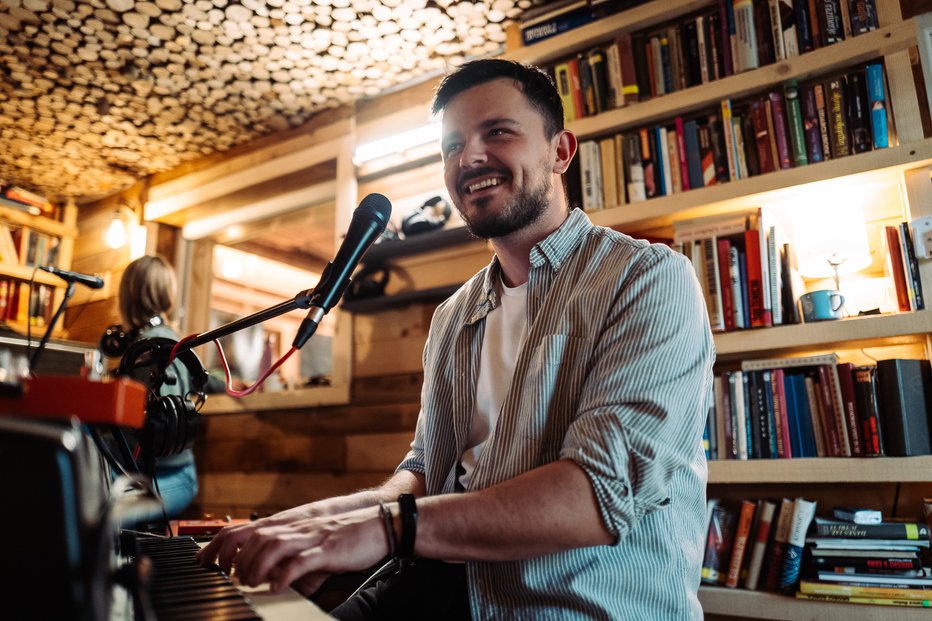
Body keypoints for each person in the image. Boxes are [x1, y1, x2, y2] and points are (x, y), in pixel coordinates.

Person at [198, 58, 715, 619]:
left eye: (497, 132)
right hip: (442, 582)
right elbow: (423, 474)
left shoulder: (647, 279)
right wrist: (316, 522)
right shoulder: (454, 315)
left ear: (560, 152)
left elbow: (594, 494)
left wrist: (387, 528)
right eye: (452, 144)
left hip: (567, 607)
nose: (469, 157)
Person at [117, 254, 199, 519]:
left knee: (91, 516)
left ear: (129, 296)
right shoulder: (171, 340)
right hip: (170, 474)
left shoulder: (151, 349)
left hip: (165, 477)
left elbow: (151, 428)